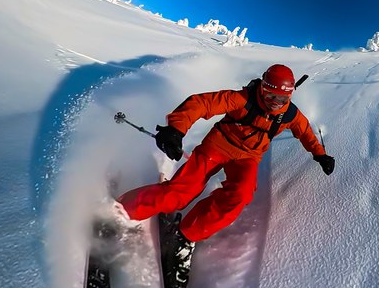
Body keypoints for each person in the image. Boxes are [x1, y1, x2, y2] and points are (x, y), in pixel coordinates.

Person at [118, 64, 335, 242]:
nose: (274, 104)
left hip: (248, 157)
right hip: (218, 145)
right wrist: (176, 129)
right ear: (262, 89)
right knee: (180, 194)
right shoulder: (243, 99)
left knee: (241, 194)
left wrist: (319, 154)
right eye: (270, 97)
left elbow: (306, 133)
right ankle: (121, 211)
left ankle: (184, 237)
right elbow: (202, 103)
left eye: (281, 99)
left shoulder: (290, 115)